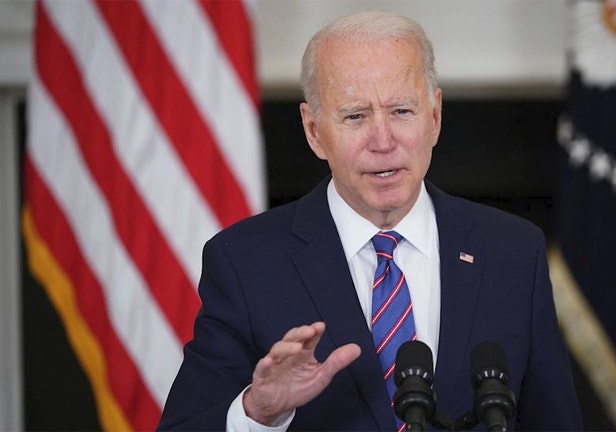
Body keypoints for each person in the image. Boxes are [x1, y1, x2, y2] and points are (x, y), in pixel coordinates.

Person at [158, 10, 581, 432]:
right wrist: (257, 412)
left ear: (434, 116)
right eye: (355, 116)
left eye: (401, 110)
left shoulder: (511, 252)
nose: (383, 141)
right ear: (314, 131)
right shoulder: (246, 262)